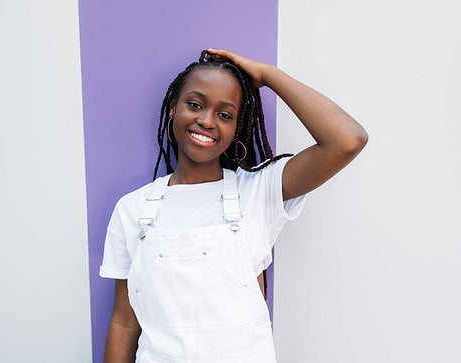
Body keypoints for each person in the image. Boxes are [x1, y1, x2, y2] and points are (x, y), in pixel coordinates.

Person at [99, 48, 368, 362]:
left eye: (225, 114)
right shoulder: (132, 209)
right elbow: (124, 321)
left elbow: (348, 140)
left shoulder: (259, 192)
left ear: (237, 127)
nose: (206, 120)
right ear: (173, 108)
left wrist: (268, 75)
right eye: (195, 104)